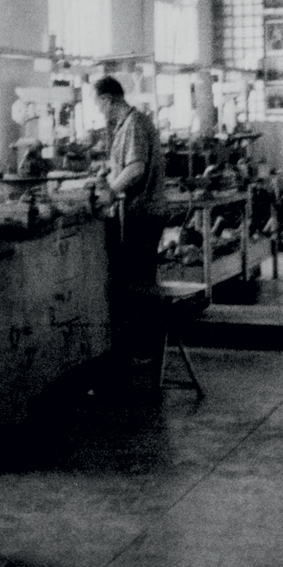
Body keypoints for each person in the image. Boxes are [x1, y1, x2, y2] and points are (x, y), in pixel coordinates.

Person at [93, 75, 167, 360]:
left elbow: (136, 169)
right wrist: (109, 173)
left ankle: (146, 349)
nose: (101, 112)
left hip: (144, 214)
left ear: (108, 100)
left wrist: (111, 190)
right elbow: (127, 166)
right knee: (139, 278)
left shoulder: (134, 124)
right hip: (141, 212)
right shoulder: (128, 125)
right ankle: (144, 347)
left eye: (100, 106)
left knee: (140, 281)